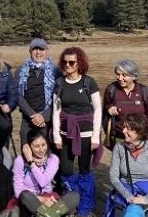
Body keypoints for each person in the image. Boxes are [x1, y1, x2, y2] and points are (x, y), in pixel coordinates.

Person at [51, 46, 101, 217]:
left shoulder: (89, 82)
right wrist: (57, 135)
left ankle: (85, 207)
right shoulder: (59, 83)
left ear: (80, 63)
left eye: (71, 62)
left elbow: (98, 110)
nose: (68, 65)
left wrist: (95, 137)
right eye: (65, 62)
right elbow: (56, 110)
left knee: (84, 169)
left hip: (86, 133)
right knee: (65, 169)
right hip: (65, 134)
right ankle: (72, 200)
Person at [105, 114, 148, 217]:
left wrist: (146, 199)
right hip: (125, 193)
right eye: (123, 127)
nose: (123, 131)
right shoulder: (119, 148)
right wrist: (128, 197)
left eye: (128, 129)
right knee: (133, 210)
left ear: (139, 132)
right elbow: (114, 177)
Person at [12, 129, 80, 217]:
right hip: (30, 201)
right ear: (28, 147)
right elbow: (18, 191)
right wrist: (40, 199)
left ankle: (47, 215)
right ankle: (52, 215)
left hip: (48, 198)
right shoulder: (20, 161)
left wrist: (31, 164)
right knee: (25, 195)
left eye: (43, 145)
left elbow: (43, 182)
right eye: (36, 146)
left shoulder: (52, 159)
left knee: (75, 195)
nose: (41, 150)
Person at [16, 38, 61, 147]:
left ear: (47, 51)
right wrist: (32, 115)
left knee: (46, 155)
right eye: (35, 49)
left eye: (41, 49)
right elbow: (17, 95)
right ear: (30, 51)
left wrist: (44, 116)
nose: (38, 52)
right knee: (27, 155)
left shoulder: (56, 72)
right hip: (28, 119)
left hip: (47, 121)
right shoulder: (21, 71)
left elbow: (59, 98)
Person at [103, 58, 148, 145]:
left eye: (124, 75)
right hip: (119, 139)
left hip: (141, 138)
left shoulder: (144, 91)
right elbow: (106, 106)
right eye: (118, 74)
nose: (120, 78)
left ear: (133, 76)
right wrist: (109, 108)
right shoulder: (111, 89)